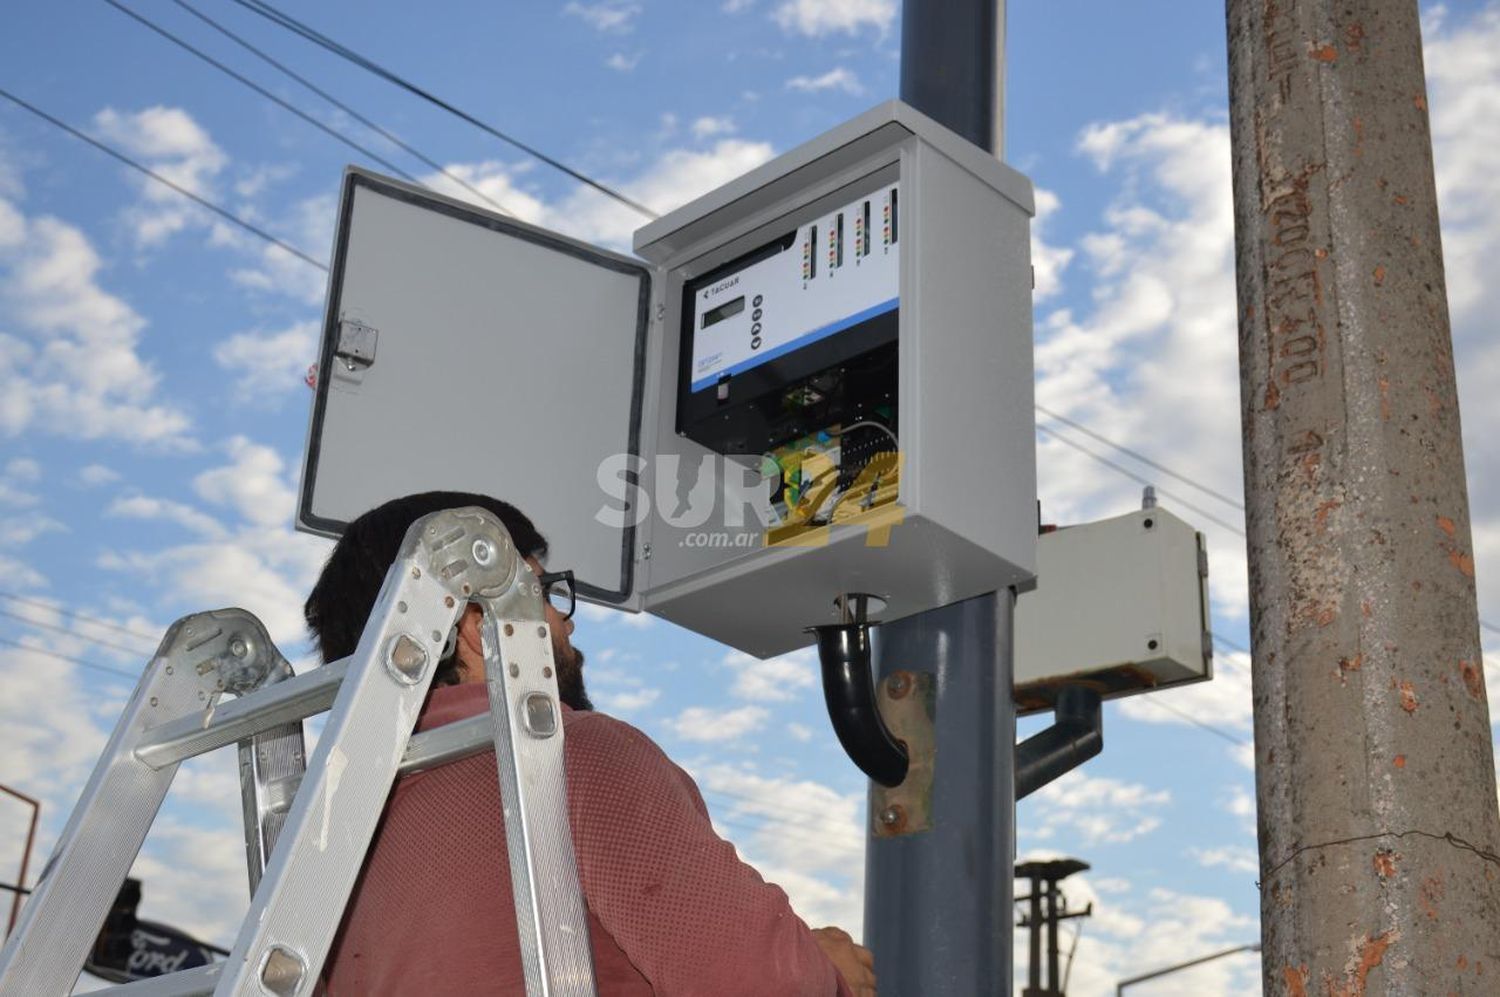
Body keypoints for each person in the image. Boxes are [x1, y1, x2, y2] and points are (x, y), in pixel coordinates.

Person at [308, 491, 877, 996]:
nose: (565, 622)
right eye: (545, 595)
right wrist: (830, 976)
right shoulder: (576, 755)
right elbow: (760, 982)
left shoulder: (329, 824)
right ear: (480, 628)